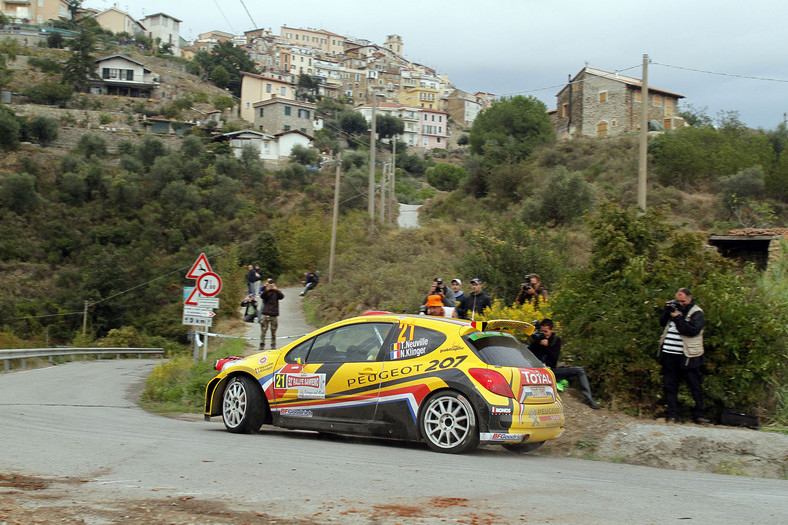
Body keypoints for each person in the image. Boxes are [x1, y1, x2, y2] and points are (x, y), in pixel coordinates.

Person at [658, 288, 708, 424]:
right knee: (670, 385)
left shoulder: (697, 312)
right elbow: (662, 323)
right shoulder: (674, 309)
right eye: (678, 301)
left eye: (683, 301)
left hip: (688, 355)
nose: (681, 304)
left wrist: (677, 317)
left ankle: (699, 415)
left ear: (690, 299)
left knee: (694, 385)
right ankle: (672, 414)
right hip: (669, 353)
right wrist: (667, 311)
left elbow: (690, 330)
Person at [528, 319, 601, 409]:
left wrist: (546, 346)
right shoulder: (537, 339)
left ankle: (589, 399)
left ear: (552, 330)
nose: (544, 334)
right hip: (537, 371)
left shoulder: (556, 340)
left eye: (546, 331)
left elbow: (554, 360)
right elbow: (528, 354)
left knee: (579, 370)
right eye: (542, 331)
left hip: (551, 371)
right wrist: (536, 342)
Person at [259, 280, 285, 350]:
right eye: (270, 285)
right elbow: (262, 297)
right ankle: (262, 344)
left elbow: (282, 297)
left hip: (274, 314)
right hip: (266, 313)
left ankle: (273, 344)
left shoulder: (276, 292)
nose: (271, 286)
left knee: (273, 331)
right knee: (263, 330)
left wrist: (276, 290)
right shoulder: (266, 292)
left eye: (272, 285)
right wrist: (267, 290)